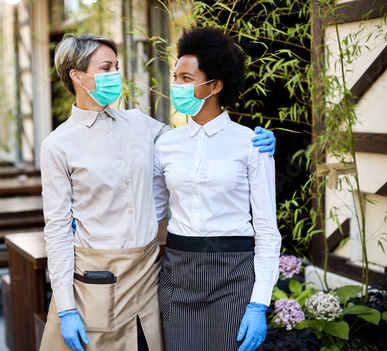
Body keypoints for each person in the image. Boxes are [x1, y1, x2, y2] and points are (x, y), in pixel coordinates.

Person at [39, 33, 276, 351]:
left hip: (155, 272)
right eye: (106, 68)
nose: (116, 76)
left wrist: (264, 144)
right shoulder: (58, 145)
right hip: (103, 274)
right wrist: (66, 307)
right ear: (77, 75)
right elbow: (57, 231)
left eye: (116, 67)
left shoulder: (141, 125)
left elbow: (199, 142)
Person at [153, 27, 282, 351]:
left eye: (186, 78)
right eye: (176, 77)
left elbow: (267, 229)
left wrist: (259, 303)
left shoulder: (252, 144)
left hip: (233, 277)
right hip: (178, 275)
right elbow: (149, 213)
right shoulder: (165, 144)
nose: (176, 86)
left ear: (215, 85)